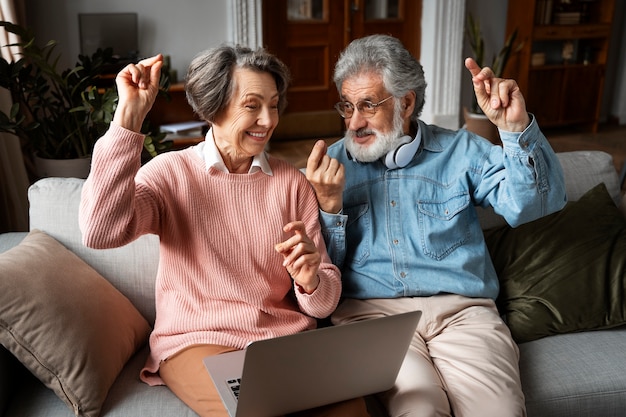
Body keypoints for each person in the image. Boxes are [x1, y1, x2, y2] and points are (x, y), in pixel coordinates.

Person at [79, 46, 370, 417]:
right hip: (197, 341)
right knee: (255, 409)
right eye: (252, 105)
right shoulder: (170, 174)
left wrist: (312, 280)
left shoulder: (292, 184)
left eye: (274, 104)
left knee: (353, 408)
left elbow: (323, 302)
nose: (268, 120)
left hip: (282, 343)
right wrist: (128, 118)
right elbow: (101, 231)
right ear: (212, 108)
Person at [305, 34, 567, 417]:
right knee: (421, 410)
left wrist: (514, 129)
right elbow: (325, 276)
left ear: (407, 102)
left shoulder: (462, 151)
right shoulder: (330, 167)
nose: (354, 121)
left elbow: (534, 205)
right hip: (372, 318)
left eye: (367, 105)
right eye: (347, 106)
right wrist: (329, 207)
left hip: (463, 313)